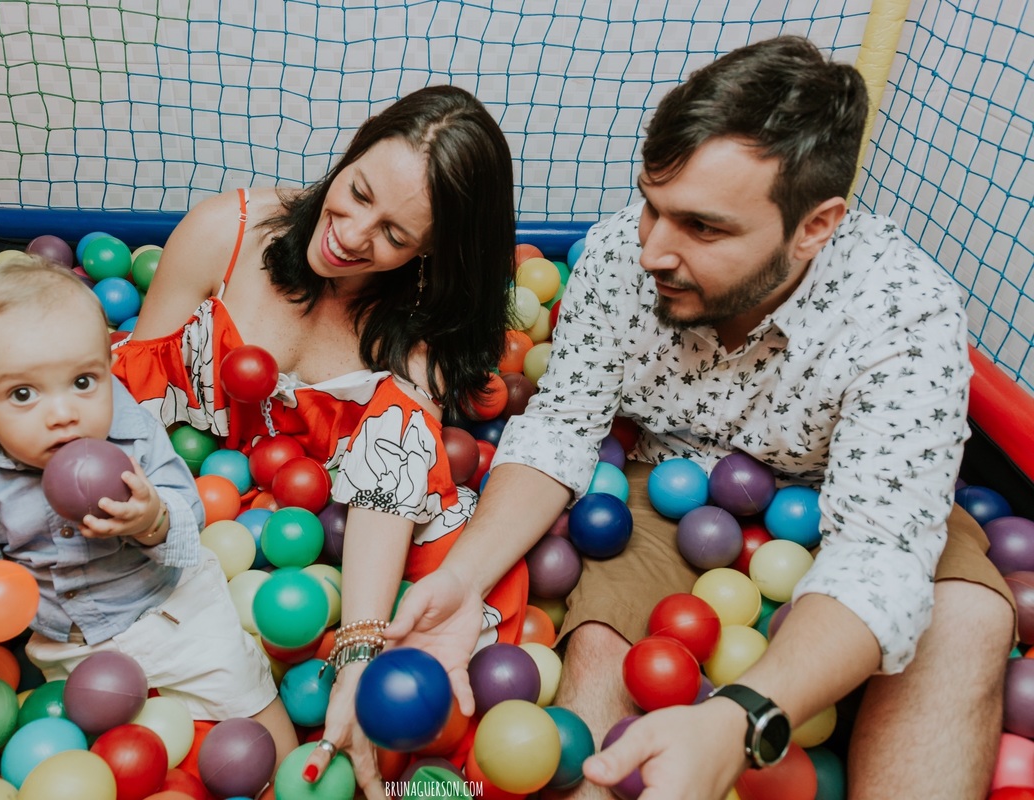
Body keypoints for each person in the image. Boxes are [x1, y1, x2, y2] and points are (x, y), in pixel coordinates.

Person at [386, 36, 1015, 799]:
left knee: (968, 620)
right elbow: (560, 428)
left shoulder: (905, 311)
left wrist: (742, 716)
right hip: (667, 484)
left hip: (850, 496)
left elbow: (880, 556)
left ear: (815, 226)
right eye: (653, 206)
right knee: (604, 653)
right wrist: (463, 580)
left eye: (703, 228)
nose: (654, 247)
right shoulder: (624, 253)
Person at [111, 84, 527, 796]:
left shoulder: (414, 333)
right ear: (351, 153)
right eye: (357, 191)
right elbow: (129, 400)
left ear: (430, 254)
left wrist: (359, 649)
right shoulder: (226, 231)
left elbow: (385, 490)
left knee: (436, 636)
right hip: (186, 492)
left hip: (322, 529)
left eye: (395, 236)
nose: (354, 234)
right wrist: (145, 514)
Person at [0, 258, 297, 774]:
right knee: (102, 758)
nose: (63, 412)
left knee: (243, 688)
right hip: (70, 641)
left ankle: (298, 776)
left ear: (106, 367)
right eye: (22, 394)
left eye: (83, 381)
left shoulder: (132, 430)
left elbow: (187, 509)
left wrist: (150, 517)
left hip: (171, 609)